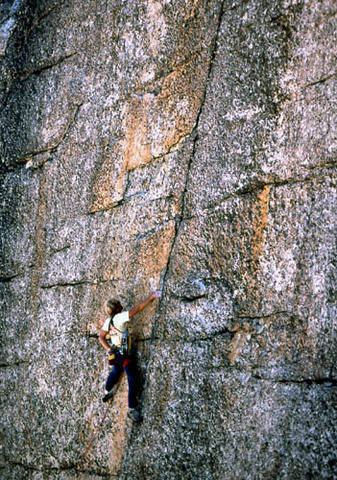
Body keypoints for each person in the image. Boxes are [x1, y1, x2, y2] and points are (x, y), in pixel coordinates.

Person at [99, 291, 161, 422]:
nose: (121, 305)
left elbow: (101, 337)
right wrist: (152, 297)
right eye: (119, 304)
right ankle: (132, 409)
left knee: (115, 372)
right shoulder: (120, 317)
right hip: (125, 354)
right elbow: (137, 309)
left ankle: (106, 392)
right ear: (116, 309)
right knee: (132, 378)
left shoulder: (108, 321)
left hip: (116, 353)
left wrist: (109, 350)